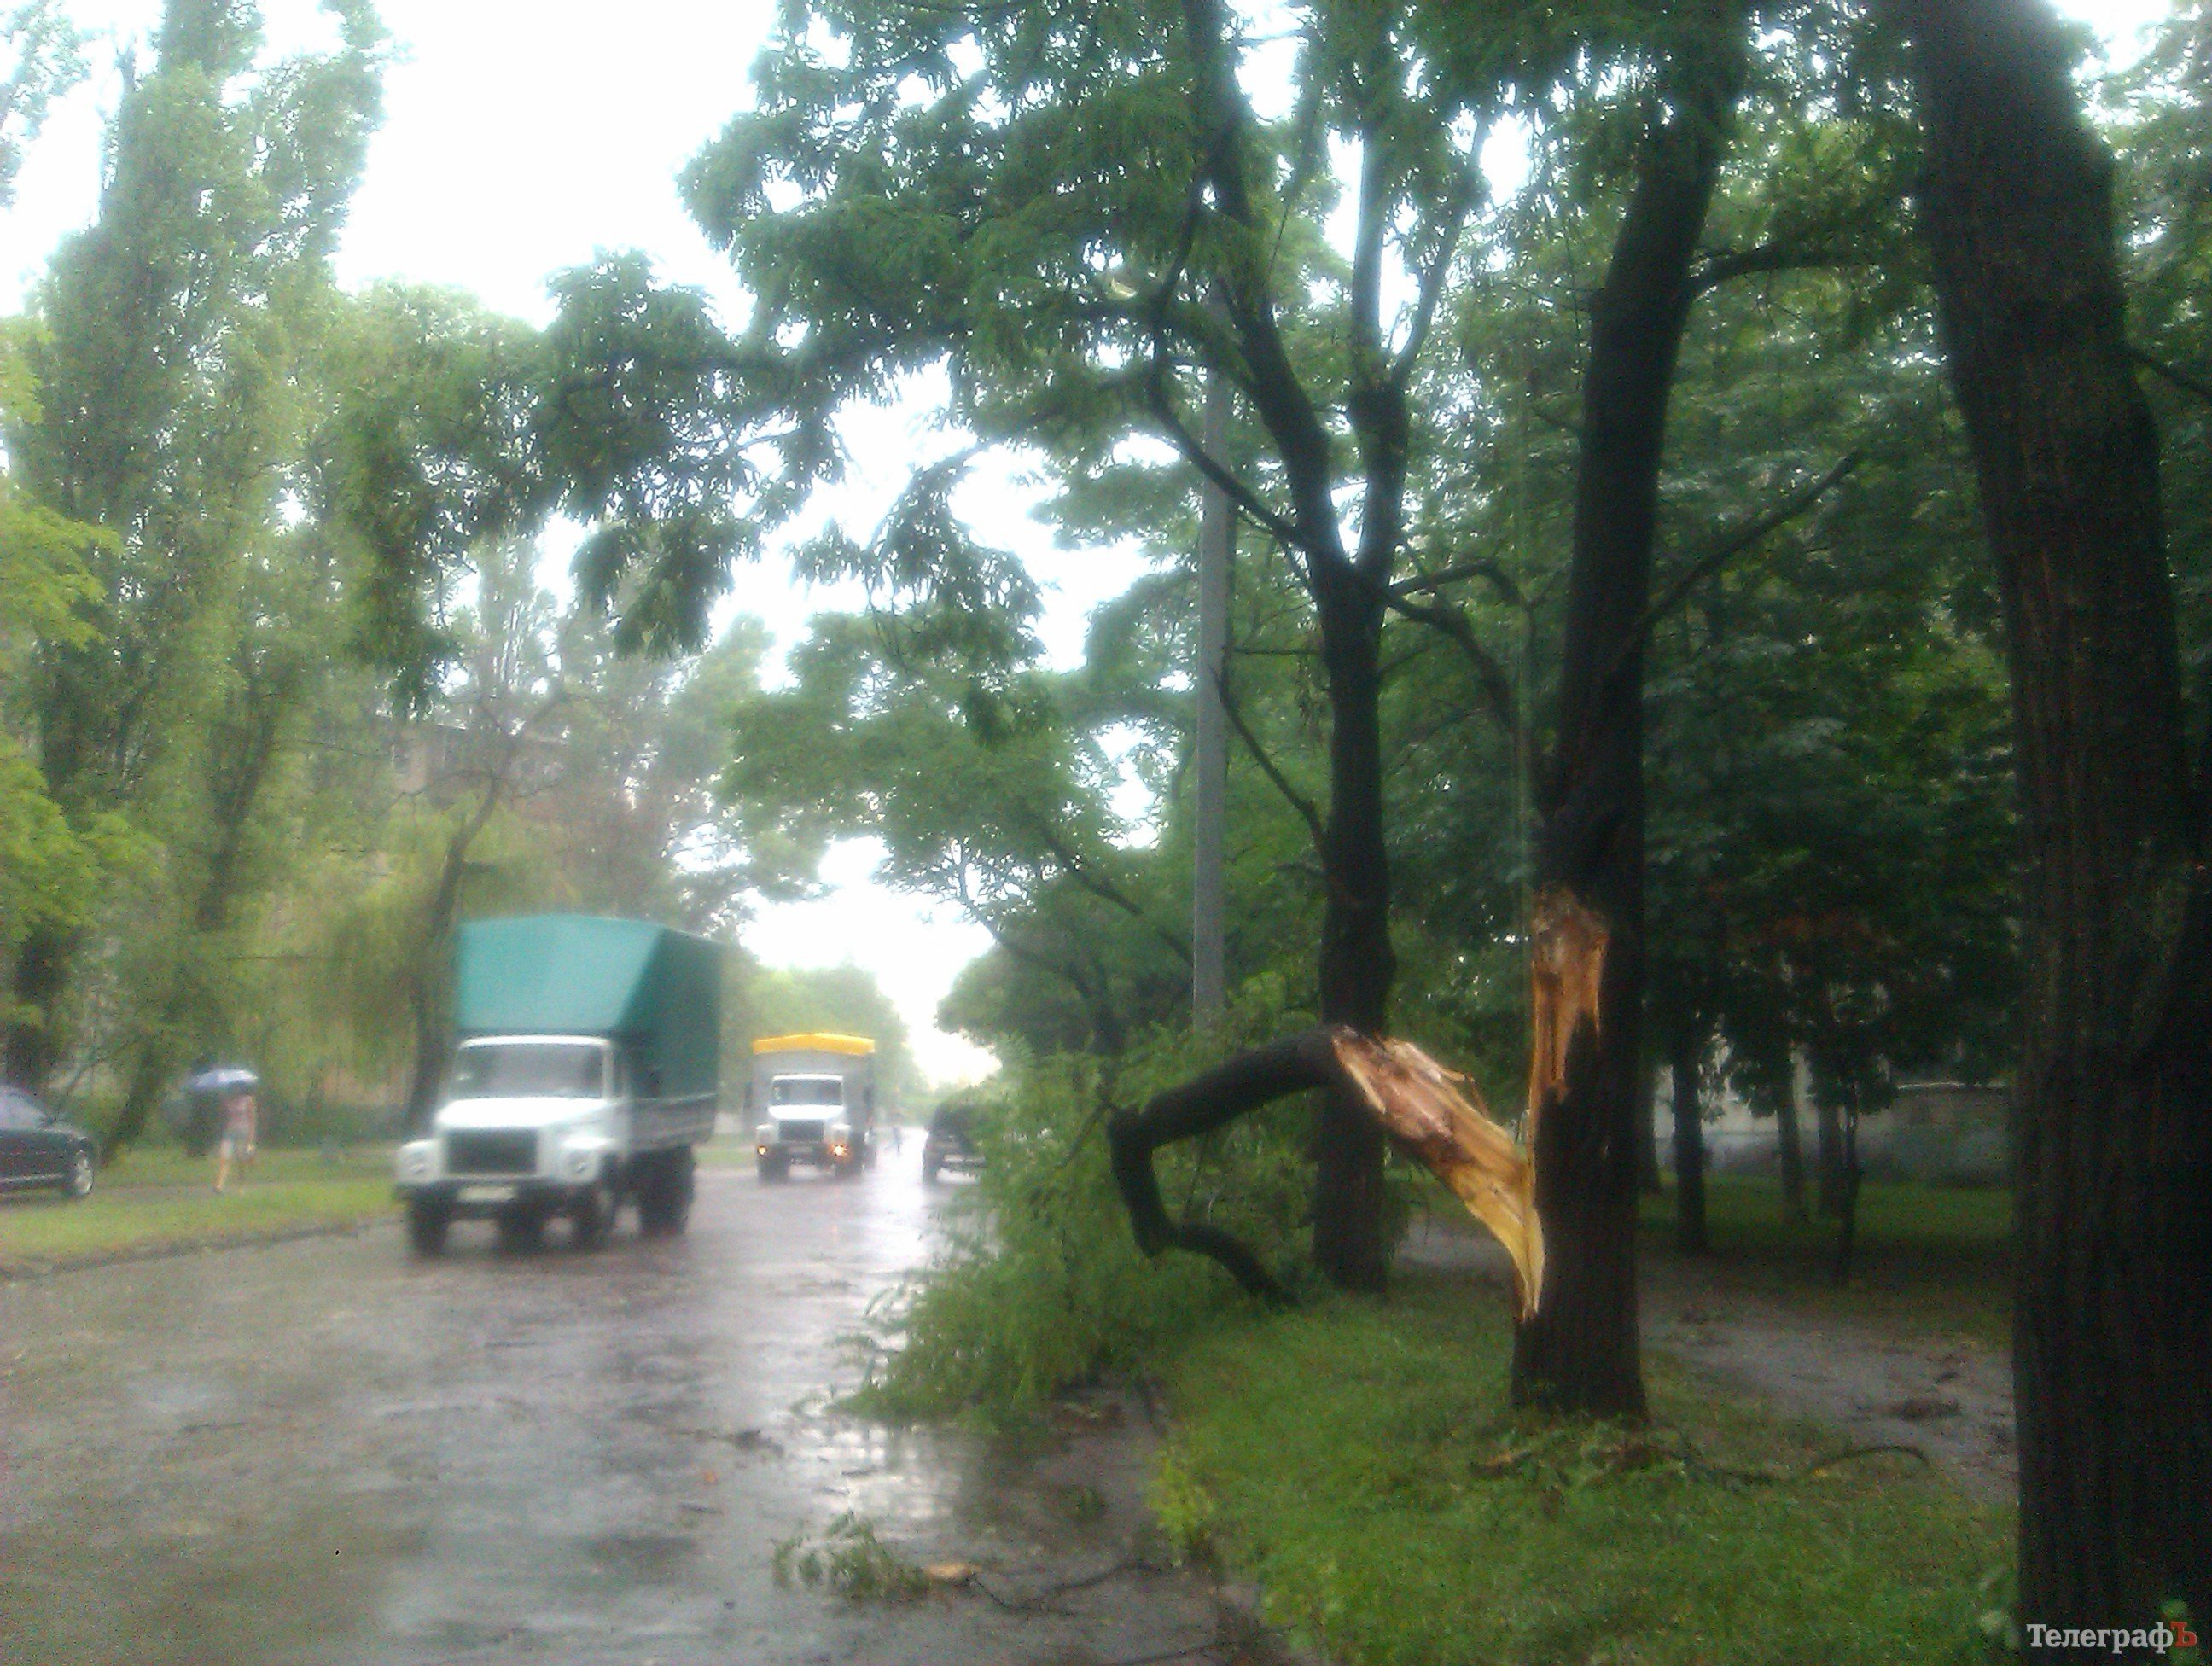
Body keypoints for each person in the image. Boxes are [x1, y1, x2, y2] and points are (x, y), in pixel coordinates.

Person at [213, 1089, 257, 1193]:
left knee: (241, 1161)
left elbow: (252, 1119)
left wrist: (251, 1137)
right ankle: (219, 1186)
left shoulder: (248, 1100)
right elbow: (226, 1116)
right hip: (230, 1132)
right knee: (224, 1157)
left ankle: (241, 1186)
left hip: (243, 1132)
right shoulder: (229, 1101)